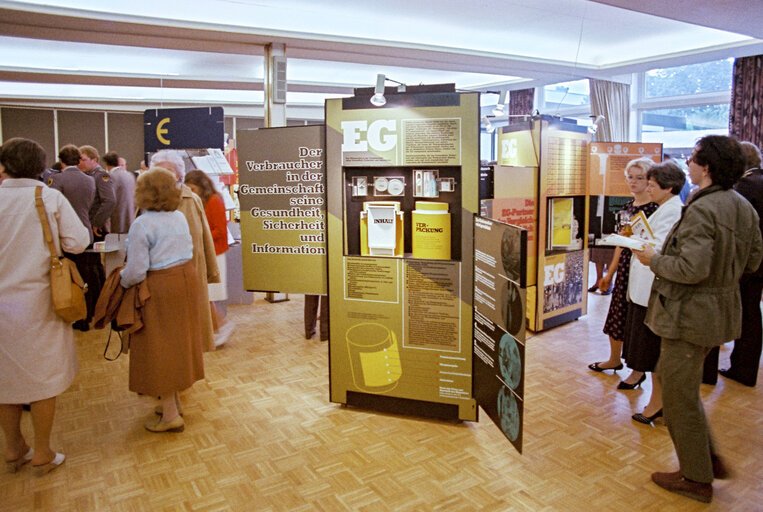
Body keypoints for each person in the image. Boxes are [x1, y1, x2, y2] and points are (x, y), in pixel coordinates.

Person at [633, 135, 762, 503]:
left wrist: (653, 260)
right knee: (684, 391)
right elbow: (753, 262)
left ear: (705, 167)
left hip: (690, 315)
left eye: (692, 158)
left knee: (677, 397)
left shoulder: (704, 209)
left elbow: (690, 268)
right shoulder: (741, 206)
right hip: (719, 312)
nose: (688, 164)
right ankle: (708, 459)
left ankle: (695, 476)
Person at [0, 138, 90, 476]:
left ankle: (12, 446)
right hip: (40, 302)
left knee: (4, 379)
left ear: (3, 165)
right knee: (42, 379)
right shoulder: (47, 197)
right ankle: (42, 450)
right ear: (40, 167)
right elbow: (78, 242)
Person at [120, 168, 204, 433]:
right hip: (185, 281)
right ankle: (174, 402)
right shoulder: (178, 217)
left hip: (159, 286)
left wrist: (120, 283)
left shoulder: (142, 224)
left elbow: (135, 271)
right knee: (179, 341)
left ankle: (170, 414)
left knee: (159, 345)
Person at [622, 162, 684, 424]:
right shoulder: (663, 209)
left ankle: (658, 404)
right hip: (644, 290)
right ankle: (657, 402)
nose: (647, 188)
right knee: (648, 349)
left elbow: (657, 249)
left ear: (668, 188)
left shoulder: (673, 212)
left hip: (653, 290)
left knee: (655, 352)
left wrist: (637, 243)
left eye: (652, 185)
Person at [588, 158, 658, 377]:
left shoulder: (655, 209)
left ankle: (637, 370)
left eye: (640, 178)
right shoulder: (629, 206)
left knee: (638, 318)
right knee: (617, 312)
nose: (633, 182)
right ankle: (614, 359)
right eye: (631, 177)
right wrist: (610, 272)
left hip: (644, 266)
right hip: (627, 266)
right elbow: (621, 241)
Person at [150, 150, 220, 352]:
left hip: (185, 277)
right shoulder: (146, 202)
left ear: (180, 175)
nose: (163, 176)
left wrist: (210, 271)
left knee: (188, 332)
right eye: (158, 171)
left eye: (169, 171)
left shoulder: (190, 201)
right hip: (155, 281)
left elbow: (203, 238)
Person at [718, 141, 763, 387]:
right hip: (758, 262)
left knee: (746, 315)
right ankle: (745, 366)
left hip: (747, 263)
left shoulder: (744, 186)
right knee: (752, 313)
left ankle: (742, 369)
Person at [184, 169, 235, 346]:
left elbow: (219, 230)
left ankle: (222, 326)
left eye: (193, 189)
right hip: (205, 251)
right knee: (205, 296)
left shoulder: (214, 200)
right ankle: (218, 328)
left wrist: (198, 236)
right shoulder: (201, 200)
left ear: (201, 186)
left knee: (208, 295)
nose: (191, 193)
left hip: (214, 252)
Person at [74, 145, 116, 330]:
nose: (80, 162)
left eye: (83, 159)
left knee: (91, 267)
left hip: (96, 229)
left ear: (94, 160)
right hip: (89, 228)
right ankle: (98, 306)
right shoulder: (88, 177)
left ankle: (96, 308)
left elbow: (109, 201)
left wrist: (97, 223)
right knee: (94, 267)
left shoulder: (101, 176)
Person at [102, 151, 136, 234]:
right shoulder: (130, 175)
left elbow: (109, 199)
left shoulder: (110, 176)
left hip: (117, 216)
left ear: (105, 163)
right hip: (130, 216)